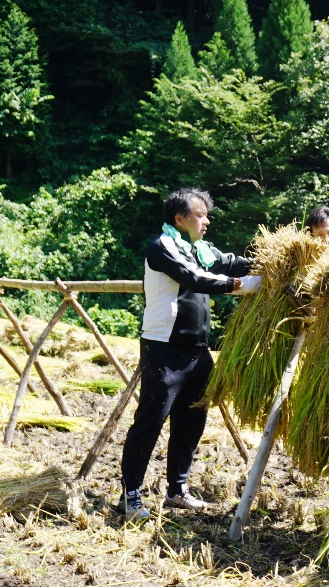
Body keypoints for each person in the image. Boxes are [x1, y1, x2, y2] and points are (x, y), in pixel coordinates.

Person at [119, 188, 260, 520]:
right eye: (200, 215)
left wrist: (274, 260)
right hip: (164, 350)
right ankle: (131, 496)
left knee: (191, 421)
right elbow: (193, 278)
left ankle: (177, 491)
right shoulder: (163, 247)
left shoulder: (200, 249)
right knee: (150, 422)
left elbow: (228, 261)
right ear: (179, 219)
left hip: (198, 352)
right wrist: (241, 285)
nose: (207, 221)